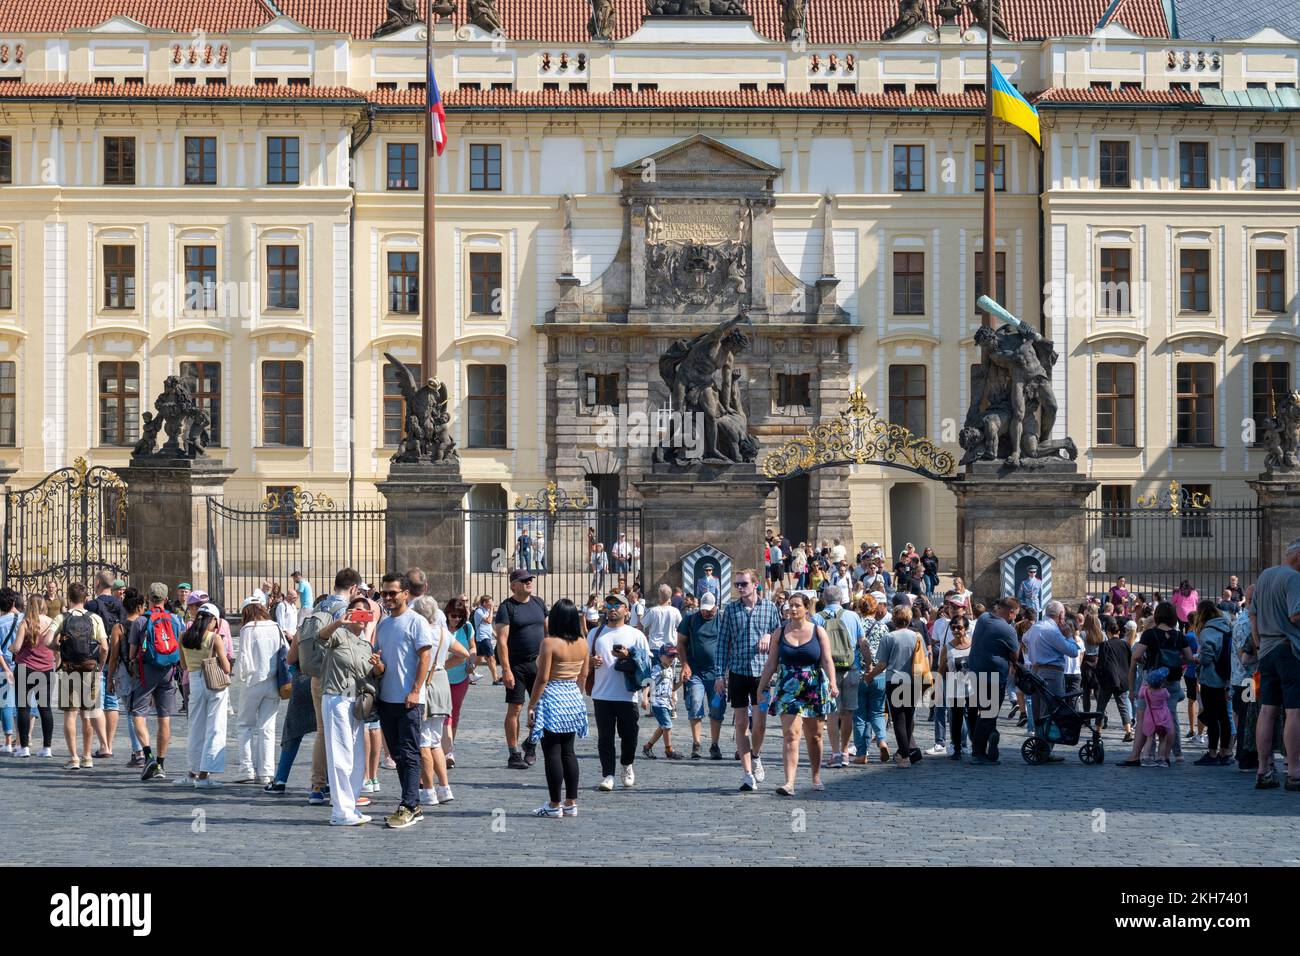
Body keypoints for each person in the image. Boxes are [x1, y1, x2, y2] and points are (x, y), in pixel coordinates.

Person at [758, 592, 836, 794]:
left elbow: (827, 660)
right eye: (790, 606)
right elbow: (771, 663)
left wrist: (833, 684)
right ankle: (789, 783)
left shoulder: (819, 631)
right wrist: (762, 686)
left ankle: (816, 776)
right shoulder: (780, 632)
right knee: (791, 734)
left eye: (797, 606)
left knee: (815, 736)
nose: (792, 609)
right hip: (787, 686)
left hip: (813, 686)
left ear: (806, 608)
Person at [373, 571, 433, 829]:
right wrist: (377, 666)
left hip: (409, 699)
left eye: (392, 593)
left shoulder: (416, 621)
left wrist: (416, 690)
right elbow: (385, 665)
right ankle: (410, 802)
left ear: (405, 594)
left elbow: (425, 658)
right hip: (387, 699)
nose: (387, 597)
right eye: (384, 593)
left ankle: (410, 804)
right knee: (397, 753)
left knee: (409, 752)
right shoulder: (384, 624)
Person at [315, 594, 382, 825]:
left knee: (356, 757)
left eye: (366, 613)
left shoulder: (366, 645)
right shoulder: (338, 634)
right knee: (340, 755)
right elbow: (320, 638)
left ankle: (351, 805)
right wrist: (339, 622)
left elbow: (372, 674)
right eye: (358, 613)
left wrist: (378, 666)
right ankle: (340, 812)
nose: (362, 617)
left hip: (358, 703)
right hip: (337, 698)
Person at [715, 567, 780, 791]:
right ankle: (747, 773)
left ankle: (756, 755)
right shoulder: (730, 610)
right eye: (737, 585)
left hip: (762, 676)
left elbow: (780, 638)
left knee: (760, 723)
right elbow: (722, 643)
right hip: (738, 673)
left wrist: (770, 636)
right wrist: (719, 675)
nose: (740, 588)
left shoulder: (770, 608)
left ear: (755, 584)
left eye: (744, 584)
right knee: (741, 723)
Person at [527, 598, 589, 818]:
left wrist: (532, 704)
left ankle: (554, 804)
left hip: (552, 695)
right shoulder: (583, 642)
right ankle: (571, 801)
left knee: (552, 752)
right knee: (569, 751)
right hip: (572, 694)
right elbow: (584, 674)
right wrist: (576, 696)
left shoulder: (549, 643)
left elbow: (542, 678)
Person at [1248, 540, 1300, 791]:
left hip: (1266, 650)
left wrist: (1258, 643)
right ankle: (1294, 771)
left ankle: (1263, 769)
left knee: (1267, 710)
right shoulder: (1293, 578)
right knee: (1294, 711)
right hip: (1289, 649)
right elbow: (1295, 616)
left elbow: (1253, 613)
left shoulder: (1266, 575)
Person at [587, 591, 648, 791]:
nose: (613, 609)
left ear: (626, 610)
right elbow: (583, 660)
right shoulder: (595, 633)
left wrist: (628, 655)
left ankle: (627, 765)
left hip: (627, 694)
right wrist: (590, 661)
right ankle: (608, 775)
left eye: (617, 606)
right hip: (602, 694)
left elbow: (647, 664)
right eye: (609, 605)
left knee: (630, 735)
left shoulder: (635, 635)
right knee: (605, 737)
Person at [412, 595, 470, 807]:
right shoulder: (443, 633)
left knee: (423, 742)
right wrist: (445, 665)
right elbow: (464, 654)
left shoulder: (419, 632)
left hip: (425, 684)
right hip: (441, 681)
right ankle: (444, 788)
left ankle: (428, 790)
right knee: (435, 740)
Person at [1121, 601, 1193, 767]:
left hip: (1152, 683)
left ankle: (1141, 755)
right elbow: (1189, 658)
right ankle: (1165, 756)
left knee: (1145, 717)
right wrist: (1176, 661)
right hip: (1173, 681)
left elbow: (1137, 655)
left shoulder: (1150, 634)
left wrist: (1148, 661)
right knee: (1170, 718)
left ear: (1158, 616)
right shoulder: (1179, 636)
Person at [128, 583, 185, 782]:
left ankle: (148, 755)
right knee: (164, 718)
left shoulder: (140, 622)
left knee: (138, 714)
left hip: (147, 672)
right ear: (166, 599)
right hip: (168, 672)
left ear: (148, 599)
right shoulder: (176, 620)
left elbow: (132, 653)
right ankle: (161, 764)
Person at [52, 583, 110, 770]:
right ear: (86, 598)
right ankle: (87, 756)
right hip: (89, 668)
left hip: (69, 669)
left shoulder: (62, 617)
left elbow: (46, 641)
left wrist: (59, 648)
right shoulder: (94, 618)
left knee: (70, 715)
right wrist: (100, 665)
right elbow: (105, 647)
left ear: (68, 597)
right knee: (88, 714)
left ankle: (74, 757)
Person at [495, 568, 548, 770]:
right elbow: (502, 641)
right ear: (513, 585)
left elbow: (548, 631)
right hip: (516, 666)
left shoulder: (539, 603)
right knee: (515, 708)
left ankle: (532, 744)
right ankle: (514, 753)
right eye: (524, 580)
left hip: (539, 664)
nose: (529, 582)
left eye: (530, 579)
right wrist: (506, 670)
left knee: (541, 708)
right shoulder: (506, 607)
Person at [234, 598, 284, 785]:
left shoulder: (248, 629)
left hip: (253, 681)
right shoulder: (275, 626)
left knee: (245, 726)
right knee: (267, 728)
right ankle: (266, 772)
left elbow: (244, 659)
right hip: (273, 682)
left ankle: (246, 768)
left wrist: (240, 679)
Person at [179, 603, 230, 788]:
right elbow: (226, 667)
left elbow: (183, 665)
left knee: (195, 727)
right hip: (213, 682)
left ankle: (192, 772)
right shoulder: (214, 638)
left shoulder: (184, 636)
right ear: (213, 620)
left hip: (194, 681)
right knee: (215, 727)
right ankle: (204, 775)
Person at [866, 605, 923, 768]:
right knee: (909, 717)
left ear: (894, 619)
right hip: (913, 681)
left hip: (895, 681)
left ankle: (905, 756)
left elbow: (882, 664)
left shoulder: (889, 638)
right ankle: (906, 751)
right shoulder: (917, 636)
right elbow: (925, 658)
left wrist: (870, 675)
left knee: (898, 719)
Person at [813, 584, 862, 769]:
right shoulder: (853, 616)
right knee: (848, 712)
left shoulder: (817, 618)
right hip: (851, 667)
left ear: (824, 600)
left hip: (827, 671)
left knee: (832, 713)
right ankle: (845, 751)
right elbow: (861, 642)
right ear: (841, 599)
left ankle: (834, 754)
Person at [968, 597, 1021, 765]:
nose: (1014, 619)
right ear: (1011, 612)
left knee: (982, 713)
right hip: (994, 677)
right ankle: (979, 752)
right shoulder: (1007, 630)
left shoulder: (983, 619)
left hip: (976, 673)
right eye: (1015, 615)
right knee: (988, 715)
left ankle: (989, 737)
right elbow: (1015, 655)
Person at [1023, 601, 1078, 762]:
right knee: (1053, 710)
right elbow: (1073, 652)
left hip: (1036, 670)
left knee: (1039, 710)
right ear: (1061, 615)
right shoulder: (1053, 631)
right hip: (1052, 672)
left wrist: (1036, 652)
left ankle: (1041, 744)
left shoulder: (1036, 627)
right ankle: (1045, 748)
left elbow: (1025, 640)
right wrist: (1069, 635)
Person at [677, 591, 724, 760]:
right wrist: (684, 664)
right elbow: (680, 643)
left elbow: (730, 644)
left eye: (709, 610)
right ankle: (696, 743)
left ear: (716, 606)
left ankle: (714, 744)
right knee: (695, 702)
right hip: (695, 671)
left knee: (717, 707)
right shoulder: (690, 619)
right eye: (703, 609)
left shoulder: (722, 620)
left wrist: (727, 672)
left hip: (717, 673)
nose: (706, 612)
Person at [104, 589, 145, 765]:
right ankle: (144, 747)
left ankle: (138, 752)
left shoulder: (118, 628)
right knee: (141, 712)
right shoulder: (145, 623)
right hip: (145, 671)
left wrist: (110, 680)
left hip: (126, 673)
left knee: (131, 712)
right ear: (140, 606)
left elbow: (113, 657)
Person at [1190, 599, 1233, 765]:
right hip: (1226, 675)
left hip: (1211, 677)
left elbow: (1207, 657)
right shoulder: (1227, 625)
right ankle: (1225, 752)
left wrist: (1197, 659)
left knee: (1212, 716)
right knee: (1224, 716)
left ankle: (1213, 753)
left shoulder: (1208, 631)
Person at [12, 595, 55, 758]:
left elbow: (16, 647)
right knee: (46, 709)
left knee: (23, 707)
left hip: (25, 668)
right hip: (46, 669)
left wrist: (11, 648)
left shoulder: (26, 622)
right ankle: (47, 747)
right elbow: (55, 645)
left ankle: (24, 748)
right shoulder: (51, 622)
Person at [851, 594, 892, 764]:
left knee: (859, 715)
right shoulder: (883, 628)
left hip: (859, 673)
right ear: (876, 608)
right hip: (879, 673)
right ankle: (881, 740)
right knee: (877, 711)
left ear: (860, 608)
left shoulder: (856, 626)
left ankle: (861, 753)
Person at [937, 612, 974, 761]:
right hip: (955, 687)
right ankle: (957, 748)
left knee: (973, 718)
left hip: (972, 687)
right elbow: (941, 668)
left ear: (966, 629)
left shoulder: (973, 645)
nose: (956, 631)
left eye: (959, 627)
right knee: (956, 719)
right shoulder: (948, 647)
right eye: (953, 628)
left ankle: (976, 746)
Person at [443, 598, 475, 767]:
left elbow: (472, 648)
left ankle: (449, 748)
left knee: (454, 713)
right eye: (454, 616)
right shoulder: (441, 629)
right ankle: (446, 750)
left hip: (461, 677)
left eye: (460, 617)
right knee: (444, 713)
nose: (456, 619)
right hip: (442, 678)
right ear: (447, 614)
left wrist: (473, 662)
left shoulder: (467, 627)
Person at [1094, 619, 1134, 742]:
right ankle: (1128, 731)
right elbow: (1129, 662)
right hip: (1122, 680)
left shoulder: (1105, 645)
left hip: (1108, 680)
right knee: (1123, 706)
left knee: (1101, 706)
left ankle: (1097, 732)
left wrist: (1099, 678)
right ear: (1118, 632)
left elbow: (1101, 663)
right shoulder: (1125, 644)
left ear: (1108, 632)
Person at [642, 645, 683, 760]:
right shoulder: (657, 669)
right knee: (667, 726)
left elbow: (673, 688)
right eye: (669, 656)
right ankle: (669, 750)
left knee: (663, 726)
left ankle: (648, 746)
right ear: (660, 656)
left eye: (674, 656)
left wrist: (681, 682)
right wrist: (645, 698)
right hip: (658, 702)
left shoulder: (671, 670)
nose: (672, 658)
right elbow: (648, 683)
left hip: (668, 702)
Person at [1139, 667, 1176, 766]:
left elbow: (1140, 695)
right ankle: (1161, 758)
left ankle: (1145, 758)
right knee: (1163, 739)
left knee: (1149, 739)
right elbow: (1168, 696)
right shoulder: (1163, 692)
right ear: (1162, 683)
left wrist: (1145, 686)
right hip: (1162, 719)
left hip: (1149, 718)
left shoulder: (1146, 691)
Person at [0, 588, 22, 755]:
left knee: (6, 703)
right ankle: (23, 739)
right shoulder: (25, 619)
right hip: (24, 664)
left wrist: (6, 669)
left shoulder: (0, 622)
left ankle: (8, 741)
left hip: (5, 665)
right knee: (24, 703)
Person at [639, 584, 682, 659]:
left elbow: (641, 624)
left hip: (655, 647)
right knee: (670, 670)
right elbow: (681, 628)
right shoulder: (675, 611)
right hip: (671, 647)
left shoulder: (653, 611)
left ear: (659, 596)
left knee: (655, 670)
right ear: (670, 596)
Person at [471, 595, 499, 684]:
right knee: (491, 658)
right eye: (489, 602)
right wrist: (491, 610)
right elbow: (489, 621)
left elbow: (489, 626)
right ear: (484, 603)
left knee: (478, 660)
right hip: (483, 638)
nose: (491, 604)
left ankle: (464, 677)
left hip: (486, 637)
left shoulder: (486, 611)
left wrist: (495, 635)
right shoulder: (479, 611)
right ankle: (495, 679)